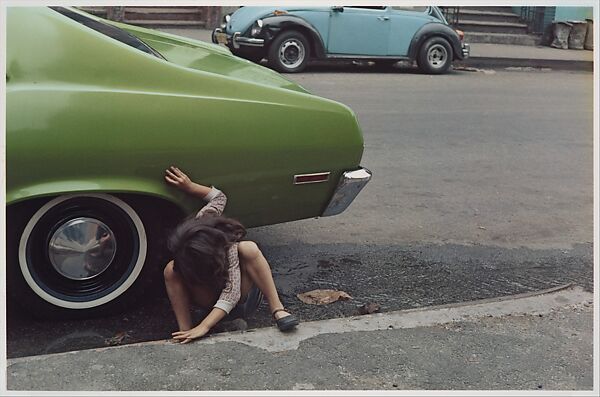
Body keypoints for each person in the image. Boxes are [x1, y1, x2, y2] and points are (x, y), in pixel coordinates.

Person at [163, 166, 299, 344]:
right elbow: (219, 197)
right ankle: (185, 330)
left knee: (249, 248)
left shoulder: (229, 250)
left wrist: (204, 327)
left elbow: (231, 294)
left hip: (238, 298)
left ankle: (277, 309)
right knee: (170, 269)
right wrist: (190, 187)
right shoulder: (203, 220)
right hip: (206, 298)